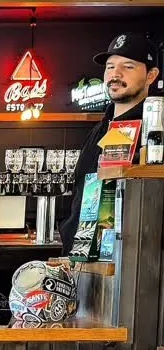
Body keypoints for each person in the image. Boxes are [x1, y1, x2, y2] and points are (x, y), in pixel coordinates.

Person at [59, 32, 160, 255]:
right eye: (110, 67)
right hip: (81, 257)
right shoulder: (99, 130)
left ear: (151, 75)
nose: (115, 74)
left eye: (128, 67)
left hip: (132, 259)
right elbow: (80, 193)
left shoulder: (155, 132)